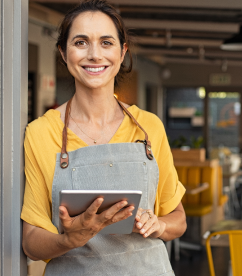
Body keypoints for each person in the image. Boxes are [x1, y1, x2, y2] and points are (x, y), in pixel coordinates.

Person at [20, 1, 186, 275]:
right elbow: (31, 242)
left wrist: (159, 225)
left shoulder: (148, 128)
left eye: (106, 42)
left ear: (122, 52)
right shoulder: (41, 133)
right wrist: (68, 239)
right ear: (63, 52)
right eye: (81, 42)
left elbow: (178, 219)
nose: (95, 54)